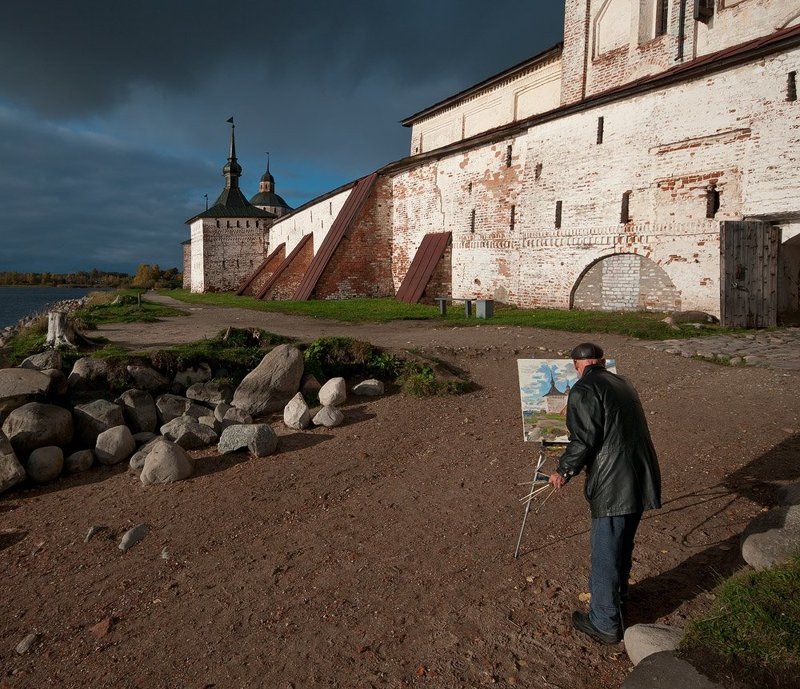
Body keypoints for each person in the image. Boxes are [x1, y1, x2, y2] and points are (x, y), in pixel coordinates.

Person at [548, 342, 661, 644]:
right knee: (622, 544)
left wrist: (564, 470)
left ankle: (604, 622)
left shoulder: (584, 389)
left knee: (605, 553)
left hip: (613, 483)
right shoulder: (622, 382)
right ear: (602, 361)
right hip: (639, 475)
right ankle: (618, 602)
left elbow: (584, 439)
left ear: (576, 365)